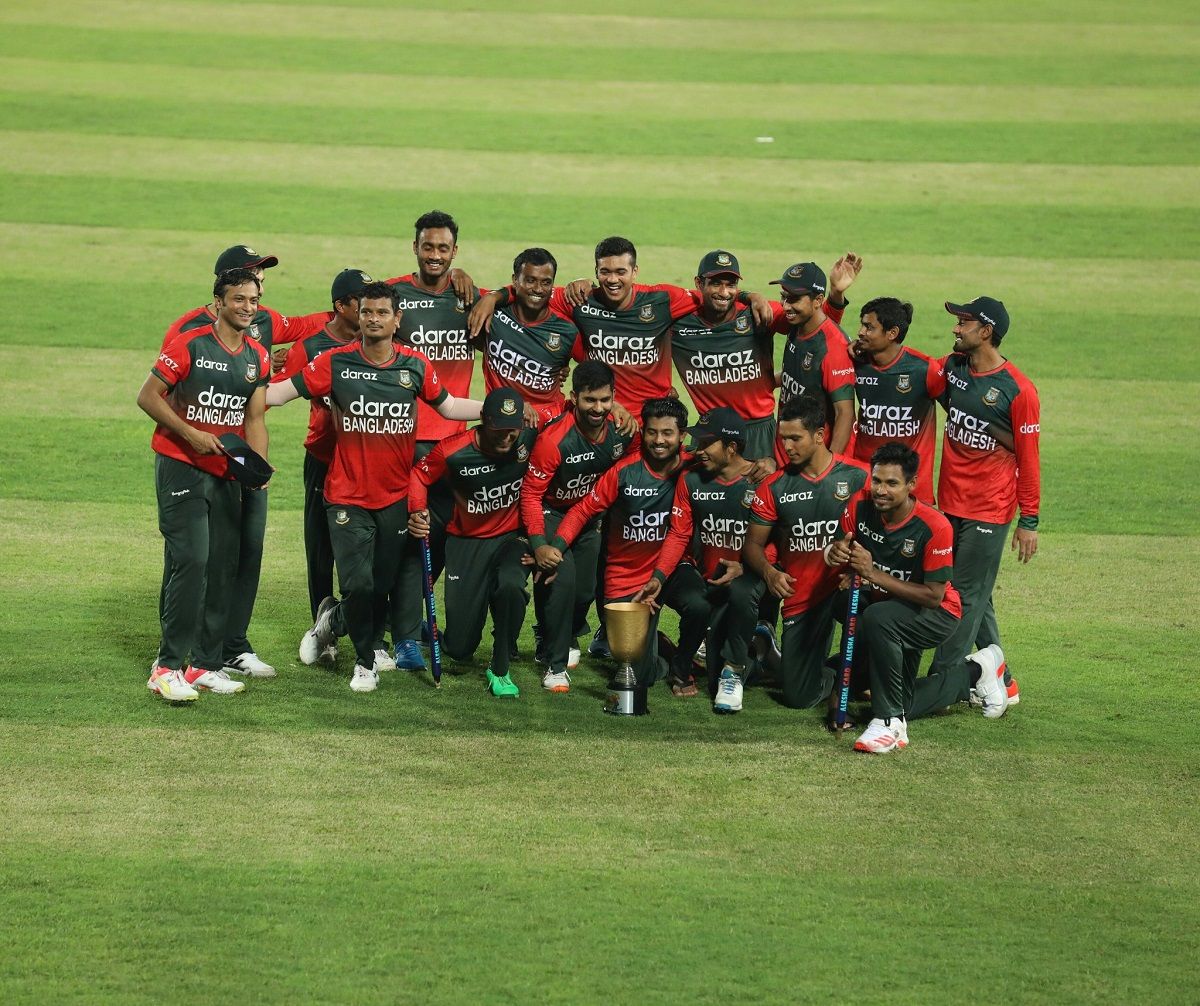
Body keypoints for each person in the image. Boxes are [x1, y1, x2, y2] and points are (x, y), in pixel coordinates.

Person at [266, 282, 482, 693]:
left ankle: (331, 622)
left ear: (397, 319)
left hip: (396, 498)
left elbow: (450, 406)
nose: (373, 319)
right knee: (359, 584)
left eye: (382, 312)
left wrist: (493, 409)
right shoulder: (335, 363)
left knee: (379, 588)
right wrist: (235, 391)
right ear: (358, 316)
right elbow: (278, 394)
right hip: (346, 497)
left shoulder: (415, 366)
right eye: (367, 312)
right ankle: (365, 664)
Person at [163, 244, 331, 679]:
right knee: (196, 558)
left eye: (260, 277)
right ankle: (184, 653)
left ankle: (231, 645)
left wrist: (350, 311)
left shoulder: (263, 320)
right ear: (223, 289)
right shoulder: (188, 332)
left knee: (247, 552)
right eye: (251, 275)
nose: (259, 283)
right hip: (198, 461)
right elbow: (165, 393)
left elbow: (304, 325)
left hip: (247, 459)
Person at [137, 267, 271, 701]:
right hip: (181, 465)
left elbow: (253, 418)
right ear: (218, 303)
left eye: (253, 300)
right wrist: (190, 434)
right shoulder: (189, 344)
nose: (248, 307)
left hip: (226, 473)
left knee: (222, 566)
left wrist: (258, 468)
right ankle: (167, 666)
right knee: (192, 558)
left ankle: (202, 665)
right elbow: (148, 396)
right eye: (239, 299)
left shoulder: (257, 356)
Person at [825, 443, 1008, 754]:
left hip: (936, 615)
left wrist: (872, 574)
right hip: (894, 606)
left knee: (878, 618)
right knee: (903, 695)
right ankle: (978, 671)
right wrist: (834, 553)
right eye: (877, 480)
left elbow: (934, 596)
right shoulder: (860, 504)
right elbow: (841, 545)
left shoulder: (934, 526)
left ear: (912, 485)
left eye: (892, 483)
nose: (881, 490)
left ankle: (889, 722)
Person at [470, 236, 773, 414]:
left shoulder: (663, 299)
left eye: (620, 271)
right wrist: (495, 296)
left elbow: (714, 294)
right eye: (605, 272)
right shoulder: (581, 299)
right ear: (596, 271)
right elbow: (534, 292)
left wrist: (750, 295)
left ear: (634, 271)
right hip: (602, 414)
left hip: (655, 417)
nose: (613, 279)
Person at [924, 296, 1040, 707]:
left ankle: (943, 681)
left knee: (964, 593)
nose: (956, 328)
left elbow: (1029, 458)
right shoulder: (955, 369)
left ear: (986, 331)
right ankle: (1002, 678)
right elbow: (921, 372)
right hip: (950, 504)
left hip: (989, 509)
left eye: (964, 322)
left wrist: (1030, 521)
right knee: (979, 593)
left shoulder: (1018, 391)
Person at [549, 397, 699, 695]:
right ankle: (661, 657)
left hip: (670, 569)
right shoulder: (624, 472)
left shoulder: (693, 466)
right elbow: (582, 510)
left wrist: (762, 463)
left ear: (682, 435)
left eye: (667, 433)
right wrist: (556, 546)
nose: (658, 440)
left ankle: (684, 664)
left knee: (700, 603)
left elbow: (734, 467)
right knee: (637, 673)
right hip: (625, 576)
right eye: (652, 432)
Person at [386, 210, 482, 669]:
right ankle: (404, 636)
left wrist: (495, 292)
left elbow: (525, 304)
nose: (436, 256)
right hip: (409, 441)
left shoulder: (471, 298)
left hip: (457, 441)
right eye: (428, 247)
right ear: (415, 247)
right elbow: (353, 322)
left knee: (441, 536)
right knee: (413, 538)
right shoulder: (395, 296)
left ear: (455, 252)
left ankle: (412, 616)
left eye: (444, 249)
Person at [409, 388, 538, 698]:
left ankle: (501, 663)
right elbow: (419, 476)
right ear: (482, 420)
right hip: (466, 543)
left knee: (510, 585)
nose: (508, 438)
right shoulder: (452, 451)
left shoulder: (528, 435)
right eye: (500, 430)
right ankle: (427, 631)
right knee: (459, 648)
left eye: (513, 430)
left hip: (511, 538)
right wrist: (417, 510)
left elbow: (570, 414)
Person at [744, 395, 869, 713]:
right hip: (805, 597)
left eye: (795, 438)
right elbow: (752, 546)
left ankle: (870, 669)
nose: (787, 446)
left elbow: (886, 532)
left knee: (877, 620)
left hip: (848, 587)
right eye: (783, 438)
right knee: (798, 696)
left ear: (820, 434)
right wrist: (770, 573)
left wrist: (859, 566)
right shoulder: (774, 487)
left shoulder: (858, 477)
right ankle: (834, 673)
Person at [272, 268, 371, 658]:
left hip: (369, 459)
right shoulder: (311, 347)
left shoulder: (380, 341)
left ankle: (357, 626)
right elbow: (277, 391)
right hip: (324, 455)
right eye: (360, 302)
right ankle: (321, 628)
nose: (368, 310)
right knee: (320, 546)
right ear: (341, 306)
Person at [635, 408, 761, 714]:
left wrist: (746, 566)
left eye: (706, 443)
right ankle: (681, 659)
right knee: (700, 607)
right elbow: (679, 535)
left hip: (748, 579)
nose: (697, 450)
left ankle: (745, 658)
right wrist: (659, 577)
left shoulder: (760, 482)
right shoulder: (691, 480)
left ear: (732, 448)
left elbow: (777, 542)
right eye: (696, 442)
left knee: (743, 595)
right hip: (705, 579)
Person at [521, 361, 636, 693]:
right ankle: (555, 665)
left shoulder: (623, 428)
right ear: (574, 398)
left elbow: (640, 453)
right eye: (589, 400)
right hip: (551, 511)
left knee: (585, 590)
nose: (597, 408)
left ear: (614, 397)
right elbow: (530, 494)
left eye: (604, 400)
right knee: (562, 580)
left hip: (590, 517)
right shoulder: (555, 440)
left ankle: (555, 631)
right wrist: (539, 541)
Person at [668, 251, 780, 468]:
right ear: (699, 283)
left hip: (758, 430)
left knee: (760, 498)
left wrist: (836, 300)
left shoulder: (757, 312)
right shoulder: (679, 321)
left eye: (731, 285)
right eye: (716, 284)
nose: (724, 292)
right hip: (709, 431)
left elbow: (814, 321)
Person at [476, 247, 582, 427]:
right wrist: (490, 295)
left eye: (546, 282)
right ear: (515, 281)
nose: (538, 289)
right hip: (503, 420)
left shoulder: (567, 331)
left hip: (549, 423)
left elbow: (595, 367)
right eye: (530, 281)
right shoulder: (492, 313)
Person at [850, 297, 940, 503]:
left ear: (892, 333)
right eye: (862, 325)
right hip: (865, 480)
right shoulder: (857, 363)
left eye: (869, 327)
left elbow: (960, 407)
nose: (860, 332)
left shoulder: (924, 370)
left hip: (911, 488)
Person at [773, 261, 856, 454]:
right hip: (789, 449)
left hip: (813, 458)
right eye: (783, 297)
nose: (786, 306)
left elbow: (844, 413)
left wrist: (830, 469)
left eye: (793, 299)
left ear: (818, 300)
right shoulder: (797, 325)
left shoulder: (833, 348)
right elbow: (800, 376)